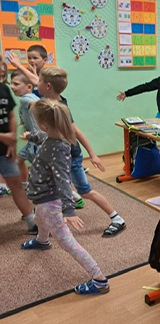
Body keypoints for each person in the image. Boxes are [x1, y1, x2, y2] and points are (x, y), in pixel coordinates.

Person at [21, 98, 110, 295]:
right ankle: (42, 241)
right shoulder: (51, 137)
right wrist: (31, 136)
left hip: (50, 201)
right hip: (43, 199)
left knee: (66, 242)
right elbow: (42, 137)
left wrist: (68, 211)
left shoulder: (59, 148)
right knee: (39, 219)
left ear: (45, 125)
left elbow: (63, 180)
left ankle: (99, 280)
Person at [36, 67, 126, 237]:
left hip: (70, 155)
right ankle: (49, 221)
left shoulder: (60, 107)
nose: (36, 83)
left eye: (39, 80)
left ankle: (117, 219)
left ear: (48, 86)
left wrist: (93, 154)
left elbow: (76, 131)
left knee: (86, 191)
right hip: (59, 155)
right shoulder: (51, 100)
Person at [0, 57, 37, 231]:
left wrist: (12, 140)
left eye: (2, 65)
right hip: (4, 140)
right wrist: (3, 136)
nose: (2, 69)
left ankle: (32, 222)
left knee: (15, 184)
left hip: (6, 148)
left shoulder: (4, 89)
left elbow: (11, 116)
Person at [9, 69, 40, 183]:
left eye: (16, 84)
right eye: (11, 83)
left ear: (29, 87)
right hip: (33, 140)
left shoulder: (25, 99)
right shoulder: (32, 96)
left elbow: (37, 105)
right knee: (18, 160)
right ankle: (25, 183)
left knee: (41, 169)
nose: (12, 87)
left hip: (36, 142)